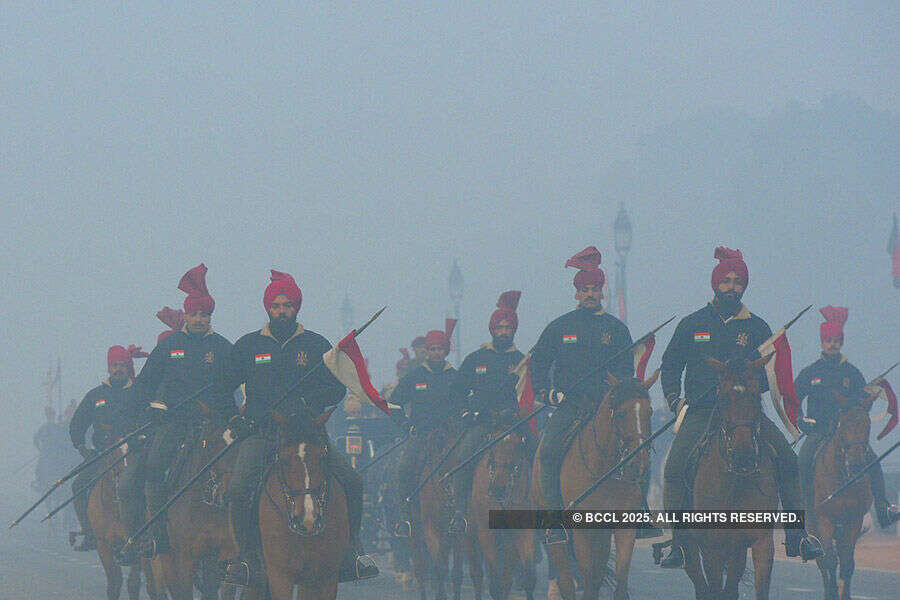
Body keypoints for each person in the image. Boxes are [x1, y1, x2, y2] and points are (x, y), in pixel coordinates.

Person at [658, 247, 824, 567]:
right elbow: (670, 366)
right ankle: (678, 542)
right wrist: (674, 399)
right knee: (674, 468)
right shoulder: (693, 323)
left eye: (737, 281)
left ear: (743, 286)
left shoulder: (758, 328)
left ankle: (797, 535)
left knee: (788, 460)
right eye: (726, 280)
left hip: (746, 416)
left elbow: (768, 377)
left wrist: (745, 387)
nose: (731, 286)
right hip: (702, 412)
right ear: (715, 284)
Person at [220, 270, 377, 585]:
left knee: (352, 481)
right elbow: (223, 387)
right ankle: (247, 558)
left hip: (307, 436)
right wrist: (236, 418)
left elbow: (335, 389)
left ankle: (351, 551)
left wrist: (307, 407)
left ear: (297, 307)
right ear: (268, 308)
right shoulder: (248, 345)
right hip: (262, 433)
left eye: (287, 305)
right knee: (238, 489)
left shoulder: (316, 344)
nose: (282, 311)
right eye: (276, 305)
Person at [531, 247, 634, 544]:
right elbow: (539, 361)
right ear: (576, 294)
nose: (590, 294)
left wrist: (617, 391)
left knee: (637, 449)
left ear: (603, 292)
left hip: (607, 408)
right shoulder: (559, 327)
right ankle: (555, 520)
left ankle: (639, 514)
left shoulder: (616, 330)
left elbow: (626, 369)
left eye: (595, 289)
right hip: (570, 407)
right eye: (584, 289)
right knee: (548, 455)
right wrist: (545, 391)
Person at [134, 264, 236, 560]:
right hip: (175, 421)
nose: (199, 320)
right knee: (154, 467)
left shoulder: (223, 348)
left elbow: (234, 388)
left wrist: (231, 416)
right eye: (194, 314)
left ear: (210, 317)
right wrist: (155, 408)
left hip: (215, 423)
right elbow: (145, 385)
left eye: (204, 315)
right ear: (186, 315)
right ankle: (158, 534)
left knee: (242, 468)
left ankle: (246, 535)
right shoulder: (170, 346)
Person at [795, 306, 900, 530]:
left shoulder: (852, 372)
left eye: (836, 340)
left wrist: (869, 396)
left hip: (848, 433)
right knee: (802, 462)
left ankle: (883, 509)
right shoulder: (810, 372)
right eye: (828, 340)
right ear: (822, 343)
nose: (832, 344)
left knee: (873, 462)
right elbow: (794, 399)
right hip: (819, 432)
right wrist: (800, 420)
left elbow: (861, 403)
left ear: (841, 342)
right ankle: (802, 517)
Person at [448, 291, 528, 535]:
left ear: (513, 330)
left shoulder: (522, 360)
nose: (503, 332)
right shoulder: (476, 359)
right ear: (492, 329)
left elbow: (528, 395)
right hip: (482, 423)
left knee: (538, 453)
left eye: (508, 327)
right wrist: (465, 413)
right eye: (499, 327)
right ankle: (460, 513)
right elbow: (457, 391)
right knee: (462, 457)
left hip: (512, 424)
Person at [69, 345, 147, 551]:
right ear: (108, 367)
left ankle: (147, 531)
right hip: (103, 454)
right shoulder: (96, 395)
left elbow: (150, 419)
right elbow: (77, 424)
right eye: (114, 365)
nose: (118, 369)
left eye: (122, 365)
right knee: (78, 487)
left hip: (133, 453)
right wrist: (82, 448)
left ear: (128, 367)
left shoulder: (140, 392)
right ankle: (90, 532)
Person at [392, 319, 464, 537]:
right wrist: (405, 424)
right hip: (421, 436)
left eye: (440, 349)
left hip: (451, 437)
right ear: (426, 351)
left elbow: (466, 403)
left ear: (446, 351)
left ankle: (463, 513)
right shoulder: (414, 377)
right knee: (403, 468)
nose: (436, 353)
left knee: (467, 465)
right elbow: (394, 403)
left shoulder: (456, 377)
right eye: (432, 349)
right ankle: (405, 517)